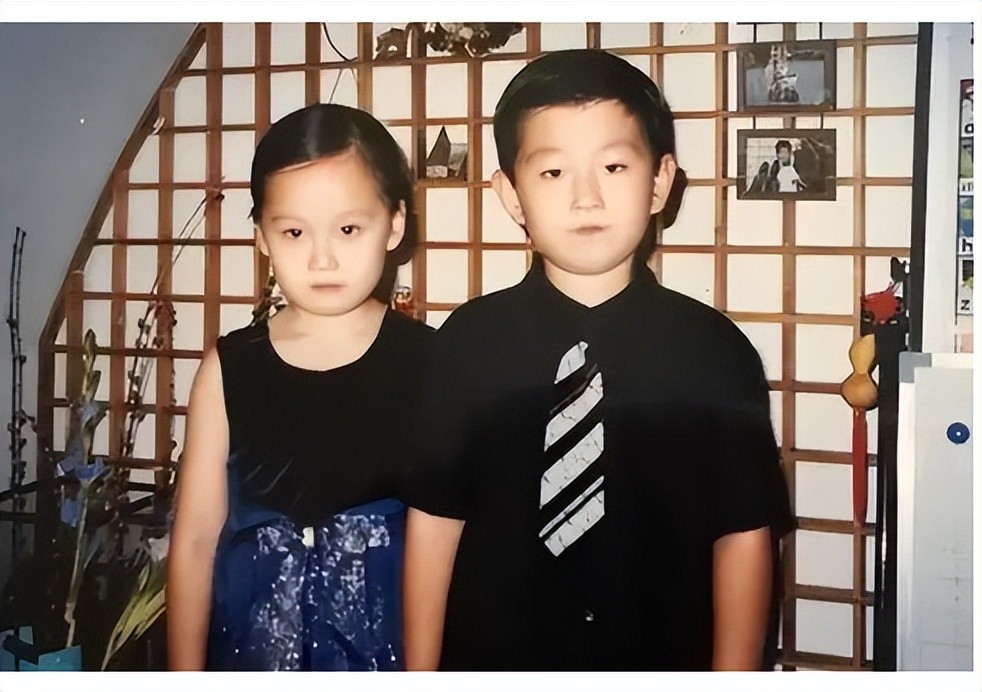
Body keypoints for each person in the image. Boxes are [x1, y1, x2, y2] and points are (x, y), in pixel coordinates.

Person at [403, 49, 793, 672]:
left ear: (660, 182)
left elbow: (743, 537)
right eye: (553, 172)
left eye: (613, 166)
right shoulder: (464, 345)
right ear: (511, 195)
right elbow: (433, 523)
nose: (586, 197)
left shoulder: (716, 354)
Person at [167, 103, 433, 671]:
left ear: (395, 225)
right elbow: (193, 543)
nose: (321, 258)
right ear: (262, 236)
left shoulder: (431, 362)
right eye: (293, 232)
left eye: (348, 229)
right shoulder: (228, 367)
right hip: (251, 653)